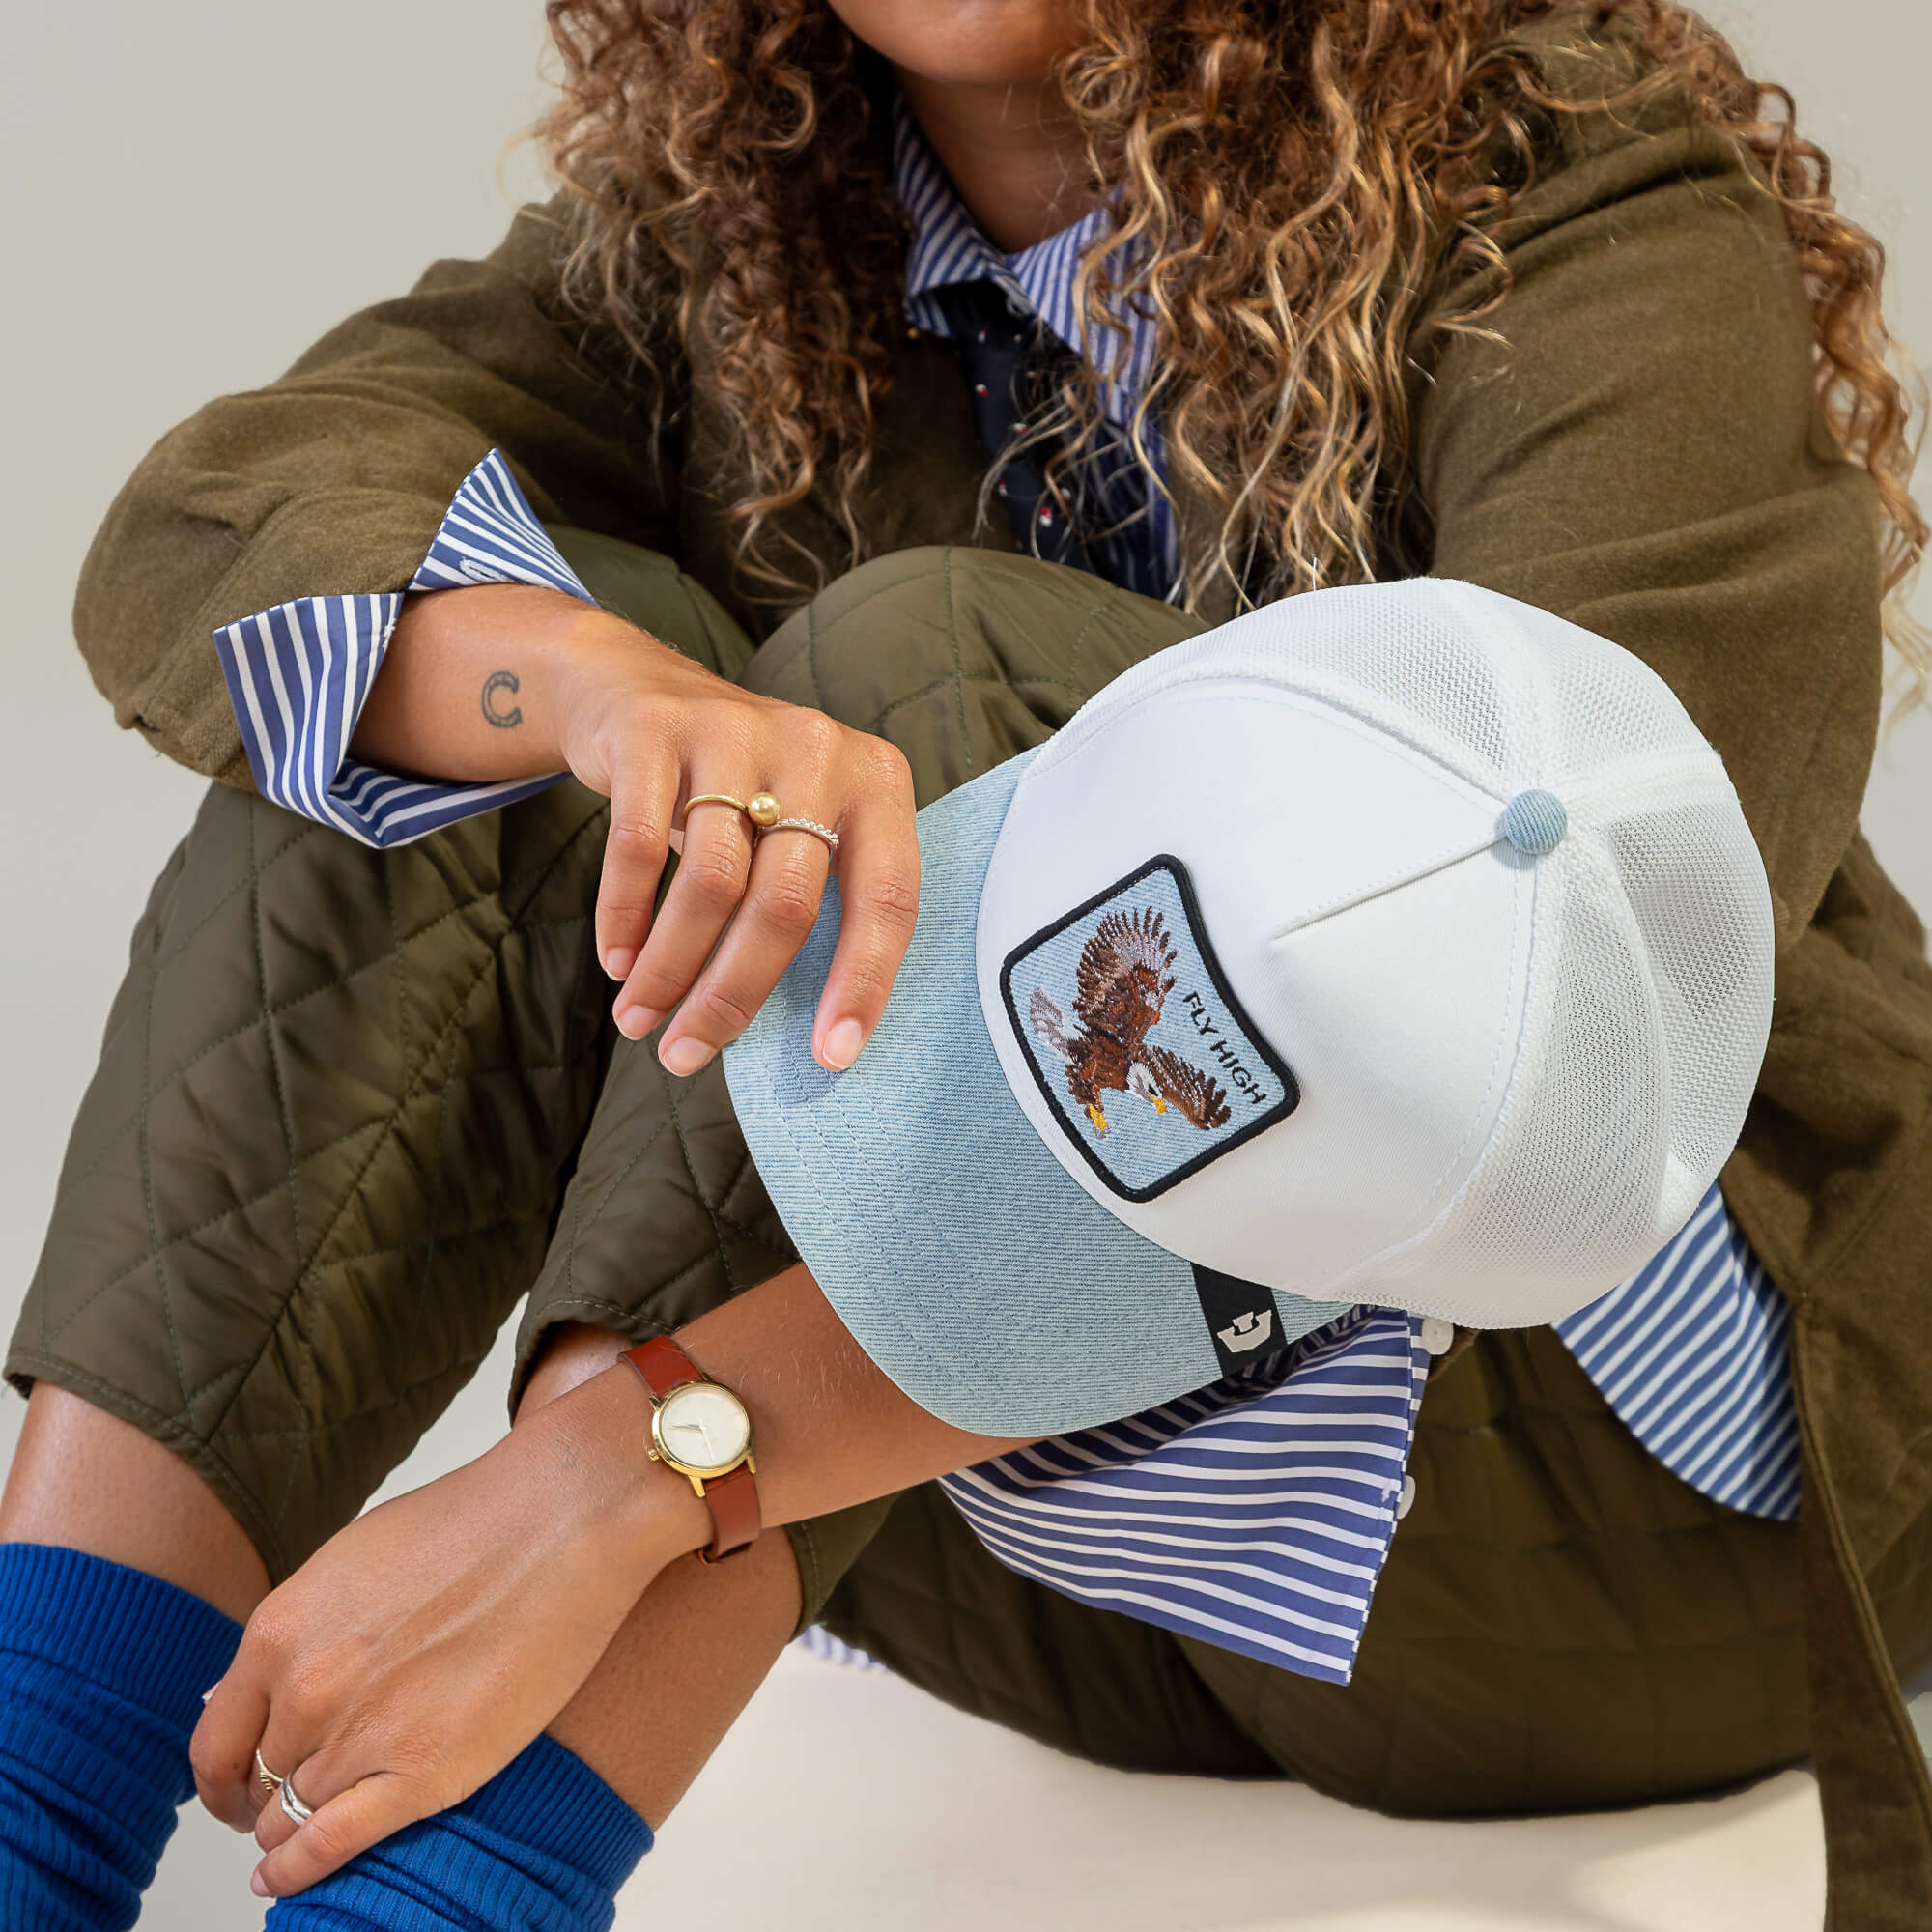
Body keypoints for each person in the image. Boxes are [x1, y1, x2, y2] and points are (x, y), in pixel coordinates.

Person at [3, 1, 1930, 1928]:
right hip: (1090, 1590)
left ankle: (438, 1901)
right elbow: (216, 520)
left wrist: (629, 1468)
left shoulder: (1562, 174)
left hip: (1649, 1526)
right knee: (453, 672)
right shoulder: (740, 226)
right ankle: (29, 1801)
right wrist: (588, 688)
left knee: (904, 686)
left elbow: (1566, 965)